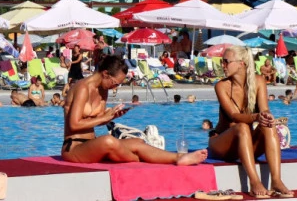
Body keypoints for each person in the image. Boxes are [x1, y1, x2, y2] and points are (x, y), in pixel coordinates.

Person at [61, 55, 207, 165]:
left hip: (91, 145)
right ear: (105, 74)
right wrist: (104, 118)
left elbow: (95, 121)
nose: (115, 87)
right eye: (115, 83)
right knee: (108, 141)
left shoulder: (103, 89)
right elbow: (74, 124)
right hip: (74, 147)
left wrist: (111, 116)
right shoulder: (82, 88)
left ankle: (179, 157)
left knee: (137, 142)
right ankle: (147, 159)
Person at [209, 46, 293, 199]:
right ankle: (254, 182)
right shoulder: (221, 86)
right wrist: (256, 117)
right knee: (241, 127)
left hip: (245, 144)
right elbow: (234, 116)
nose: (222, 65)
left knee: (268, 125)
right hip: (222, 145)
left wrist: (266, 116)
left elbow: (264, 109)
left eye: (226, 61)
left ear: (241, 63)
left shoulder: (258, 81)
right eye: (222, 62)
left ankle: (276, 180)